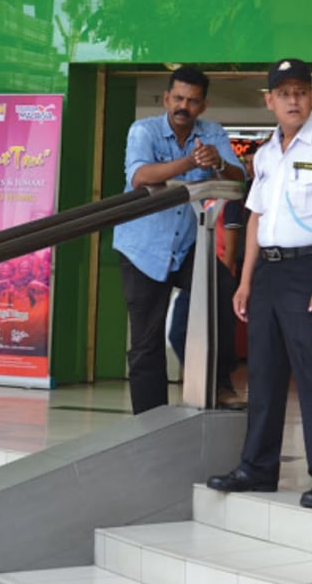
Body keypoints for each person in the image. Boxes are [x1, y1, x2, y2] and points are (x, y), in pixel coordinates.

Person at [207, 58, 312, 509]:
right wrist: (245, 279)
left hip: (310, 269)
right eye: (284, 92)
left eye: (300, 91)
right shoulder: (267, 152)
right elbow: (255, 217)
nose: (292, 99)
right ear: (269, 100)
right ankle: (257, 468)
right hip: (270, 273)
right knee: (265, 373)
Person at [113, 66, 244, 414]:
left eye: (192, 101)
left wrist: (216, 162)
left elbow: (239, 177)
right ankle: (150, 417)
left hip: (187, 246)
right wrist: (189, 160)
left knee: (221, 286)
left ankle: (219, 383)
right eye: (178, 98)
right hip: (142, 247)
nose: (184, 106)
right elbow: (140, 176)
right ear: (167, 98)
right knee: (145, 341)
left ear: (203, 105)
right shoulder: (144, 130)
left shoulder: (211, 132)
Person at [167, 196, 245, 407]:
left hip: (216, 275)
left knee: (218, 332)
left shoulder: (227, 199)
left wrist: (225, 278)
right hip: (193, 271)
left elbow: (231, 240)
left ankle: (221, 384)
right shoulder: (194, 197)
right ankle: (202, 379)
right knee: (177, 332)